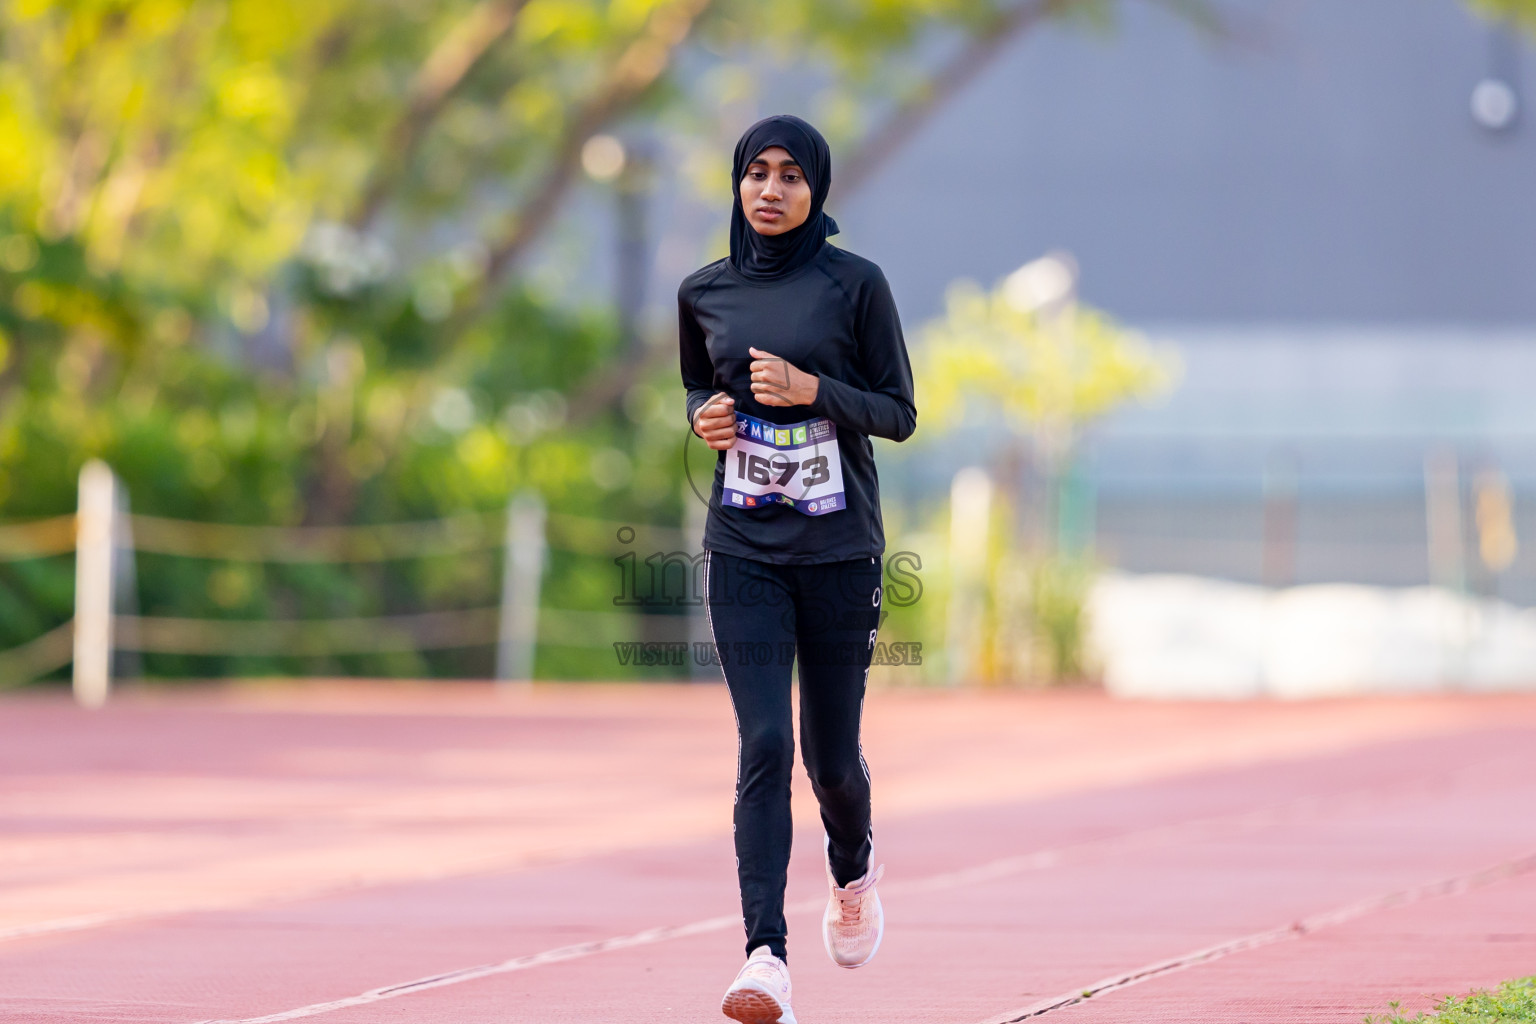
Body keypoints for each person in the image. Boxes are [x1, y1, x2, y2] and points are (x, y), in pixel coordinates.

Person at [678, 113, 917, 1024]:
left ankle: (851, 871)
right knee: (762, 746)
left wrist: (818, 392)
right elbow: (702, 388)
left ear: (817, 191)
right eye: (756, 174)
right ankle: (764, 955)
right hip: (742, 546)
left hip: (837, 550)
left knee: (831, 764)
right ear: (737, 185)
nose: (771, 190)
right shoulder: (703, 292)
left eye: (790, 176)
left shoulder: (856, 286)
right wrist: (706, 416)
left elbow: (898, 411)